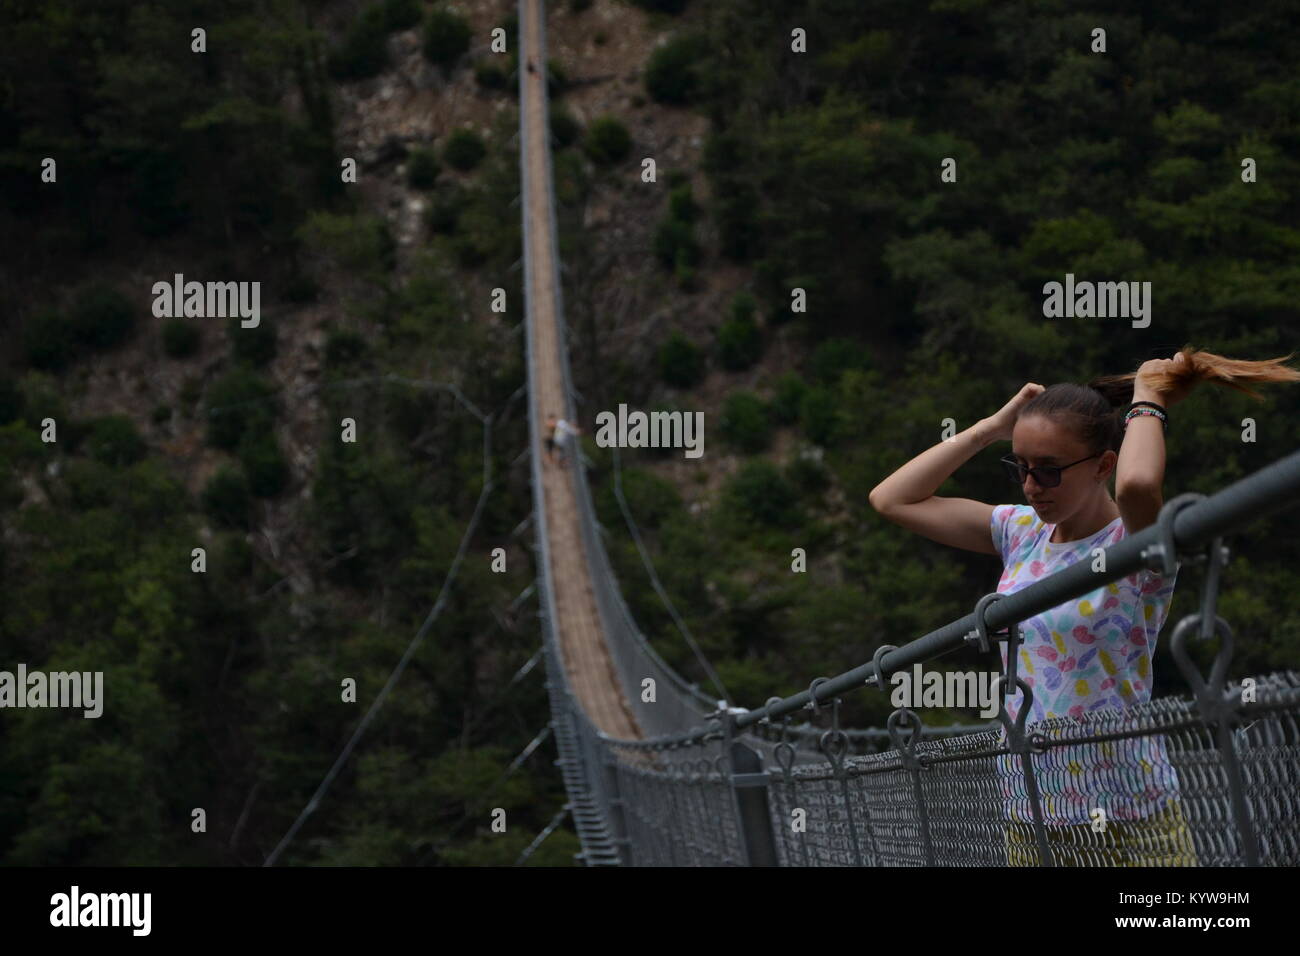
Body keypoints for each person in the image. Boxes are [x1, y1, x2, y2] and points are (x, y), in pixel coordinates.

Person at [868, 347, 1300, 864]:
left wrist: (1147, 395)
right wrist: (989, 429)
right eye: (1021, 468)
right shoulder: (1020, 532)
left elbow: (1139, 484)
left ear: (1103, 464)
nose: (1031, 487)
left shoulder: (1133, 543)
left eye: (1049, 471)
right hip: (1031, 811)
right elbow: (892, 500)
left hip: (1128, 815)